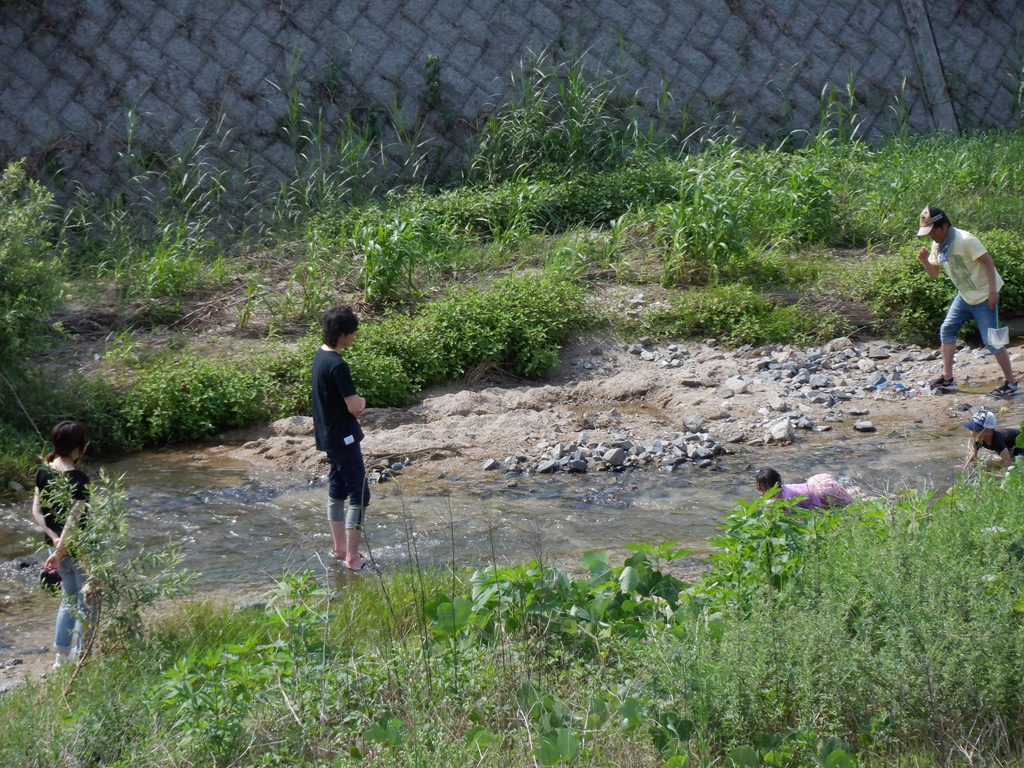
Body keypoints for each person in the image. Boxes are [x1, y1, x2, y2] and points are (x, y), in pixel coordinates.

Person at [916, 205, 1018, 397]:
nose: (931, 236)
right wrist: (925, 261)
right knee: (947, 329)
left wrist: (993, 292)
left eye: (933, 231)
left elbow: (988, 261)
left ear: (945, 226)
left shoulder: (965, 239)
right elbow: (934, 274)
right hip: (964, 295)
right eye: (928, 233)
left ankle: (1011, 383)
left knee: (992, 341)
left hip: (984, 295)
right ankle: (947, 378)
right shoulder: (938, 244)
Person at [31, 420, 97, 670]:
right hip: (78, 550)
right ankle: (82, 657)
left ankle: (61, 658)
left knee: (68, 599)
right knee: (87, 602)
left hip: (54, 548)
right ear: (78, 447)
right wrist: (62, 549)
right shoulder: (80, 479)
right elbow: (74, 520)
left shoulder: (43, 471)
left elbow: (36, 511)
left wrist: (54, 538)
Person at [311, 305, 370, 571]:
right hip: (344, 438)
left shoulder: (320, 356)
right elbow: (354, 407)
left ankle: (340, 549)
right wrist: (363, 401)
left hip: (327, 437)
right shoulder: (338, 365)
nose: (355, 336)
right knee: (359, 493)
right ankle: (353, 558)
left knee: (337, 490)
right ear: (342, 334)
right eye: (352, 332)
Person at [755, 467, 855, 509]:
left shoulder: (786, 498)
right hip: (816, 482)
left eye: (764, 489)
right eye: (759, 489)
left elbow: (802, 512)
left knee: (851, 503)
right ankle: (854, 490)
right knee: (846, 495)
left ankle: (859, 494)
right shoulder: (782, 489)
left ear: (776, 486)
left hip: (824, 492)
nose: (761, 493)